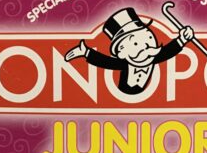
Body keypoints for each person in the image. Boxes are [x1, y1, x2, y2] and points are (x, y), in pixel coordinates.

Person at [64, 7, 194, 95]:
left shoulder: (154, 56)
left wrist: (183, 39)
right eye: (136, 43)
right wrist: (86, 52)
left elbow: (168, 51)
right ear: (121, 51)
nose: (146, 46)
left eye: (149, 37)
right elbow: (106, 61)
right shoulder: (124, 64)